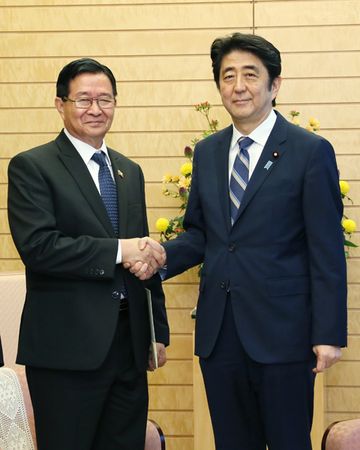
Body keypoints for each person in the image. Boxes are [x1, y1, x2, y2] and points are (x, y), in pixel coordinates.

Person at [129, 33, 347, 449]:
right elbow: (202, 234)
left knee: (287, 441)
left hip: (284, 333)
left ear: (274, 84)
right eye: (228, 76)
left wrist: (329, 332)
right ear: (218, 87)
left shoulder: (309, 151)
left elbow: (326, 249)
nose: (239, 85)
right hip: (220, 333)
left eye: (251, 74)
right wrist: (159, 257)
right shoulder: (209, 152)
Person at [7, 58, 168, 450]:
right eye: (83, 100)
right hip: (67, 350)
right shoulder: (33, 166)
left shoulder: (128, 171)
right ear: (60, 104)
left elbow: (142, 258)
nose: (95, 109)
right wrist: (120, 250)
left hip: (128, 348)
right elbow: (39, 248)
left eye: (105, 99)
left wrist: (156, 331)